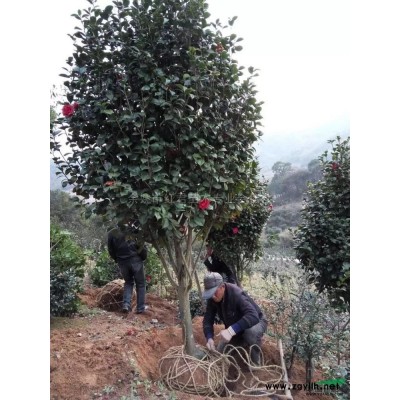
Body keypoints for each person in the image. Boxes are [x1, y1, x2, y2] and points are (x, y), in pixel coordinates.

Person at [202, 272, 267, 366]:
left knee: (250, 333)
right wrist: (209, 338)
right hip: (237, 327)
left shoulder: (236, 294)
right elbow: (208, 318)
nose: (212, 296)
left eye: (214, 292)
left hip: (257, 321)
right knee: (221, 353)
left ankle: (256, 363)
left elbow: (253, 316)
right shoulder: (213, 298)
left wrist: (230, 331)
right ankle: (242, 341)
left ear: (222, 286)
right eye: (210, 293)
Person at [107, 222, 148, 314]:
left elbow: (110, 249)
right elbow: (141, 246)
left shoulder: (112, 232)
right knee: (140, 284)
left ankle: (126, 305)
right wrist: (143, 257)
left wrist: (117, 259)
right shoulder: (134, 230)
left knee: (128, 282)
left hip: (122, 261)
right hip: (135, 260)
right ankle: (140, 308)